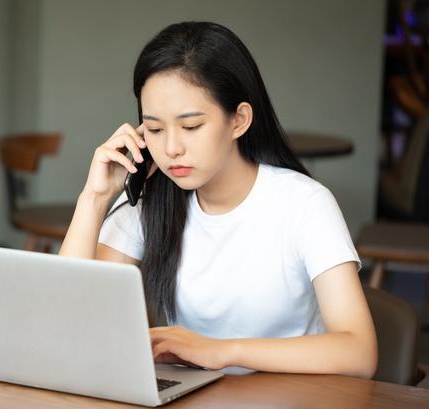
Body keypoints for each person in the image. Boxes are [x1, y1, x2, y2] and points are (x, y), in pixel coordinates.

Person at [59, 21, 377, 378]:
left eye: (191, 126)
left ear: (239, 120)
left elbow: (358, 352)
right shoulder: (151, 202)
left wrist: (221, 351)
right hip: (197, 406)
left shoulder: (305, 204)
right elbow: (69, 319)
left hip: (294, 405)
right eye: (155, 129)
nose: (171, 148)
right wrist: (94, 198)